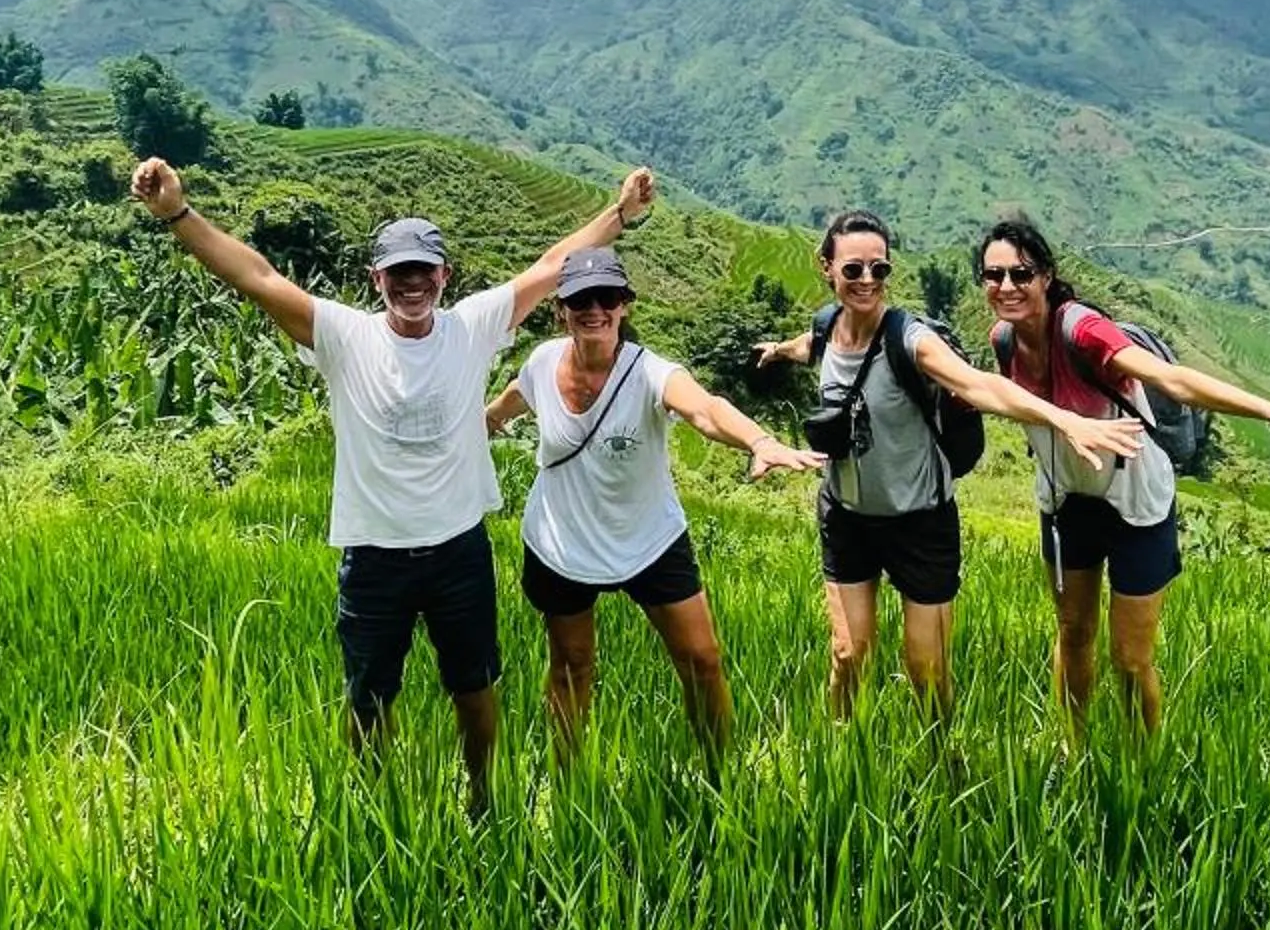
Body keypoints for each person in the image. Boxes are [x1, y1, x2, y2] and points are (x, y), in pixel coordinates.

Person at [128, 152, 658, 813]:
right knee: (369, 694)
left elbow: (551, 268)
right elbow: (257, 278)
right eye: (398, 273)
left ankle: (484, 799)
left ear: (444, 275)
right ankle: (373, 810)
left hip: (458, 551)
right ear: (376, 279)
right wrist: (177, 212)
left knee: (475, 686)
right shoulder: (345, 336)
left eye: (424, 271)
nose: (413, 284)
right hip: (375, 555)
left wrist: (620, 214)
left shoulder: (471, 326)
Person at [755, 209, 1144, 720]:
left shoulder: (911, 340)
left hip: (920, 521)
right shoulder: (827, 328)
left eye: (880, 269)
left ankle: (939, 760)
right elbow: (811, 346)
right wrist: (779, 350)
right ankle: (840, 752)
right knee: (849, 654)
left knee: (927, 667)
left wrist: (1065, 420)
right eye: (853, 270)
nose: (867, 280)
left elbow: (980, 385)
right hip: (847, 516)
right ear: (826, 267)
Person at [975, 211, 1270, 739]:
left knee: (1129, 657)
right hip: (1066, 502)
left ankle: (1139, 764)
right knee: (1072, 632)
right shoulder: (1004, 341)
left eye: (1021, 274)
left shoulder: (1082, 330)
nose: (1007, 286)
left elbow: (1172, 378)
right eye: (993, 276)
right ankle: (1074, 748)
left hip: (1135, 504)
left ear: (1047, 276)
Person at [484, 244, 824, 761]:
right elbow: (508, 403)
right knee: (572, 666)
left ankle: (719, 769)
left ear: (625, 304)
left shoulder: (650, 373)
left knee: (701, 660)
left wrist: (759, 442)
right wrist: (474, 428)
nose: (594, 309)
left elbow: (706, 410)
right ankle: (568, 779)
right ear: (561, 310)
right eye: (580, 299)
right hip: (562, 541)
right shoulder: (542, 362)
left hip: (649, 539)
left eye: (606, 297)